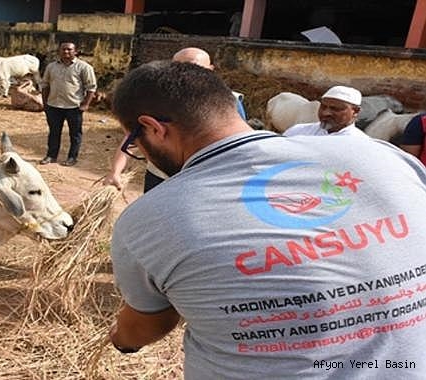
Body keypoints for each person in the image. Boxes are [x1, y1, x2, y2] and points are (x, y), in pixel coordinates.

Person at [108, 60, 426, 379]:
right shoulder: (386, 157)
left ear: (153, 128)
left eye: (135, 143)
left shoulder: (150, 219)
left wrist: (121, 340)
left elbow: (147, 326)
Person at [103, 47, 247, 191]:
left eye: (194, 69)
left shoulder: (229, 102)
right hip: (160, 176)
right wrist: (115, 171)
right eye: (178, 68)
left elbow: (238, 146)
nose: (185, 76)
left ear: (210, 70)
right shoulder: (155, 101)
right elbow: (133, 137)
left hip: (203, 180)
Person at [39, 42, 97, 167]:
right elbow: (45, 85)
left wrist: (86, 104)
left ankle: (72, 157)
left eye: (69, 50)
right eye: (63, 49)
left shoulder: (84, 67)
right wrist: (45, 104)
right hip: (54, 105)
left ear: (75, 51)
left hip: (74, 107)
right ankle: (51, 156)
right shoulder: (51, 67)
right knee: (54, 132)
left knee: (75, 134)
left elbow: (91, 88)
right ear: (59, 51)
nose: (66, 52)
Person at [283, 85, 367, 137]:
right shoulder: (297, 131)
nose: (325, 113)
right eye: (323, 107)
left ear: (355, 111)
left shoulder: (360, 142)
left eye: (335, 109)